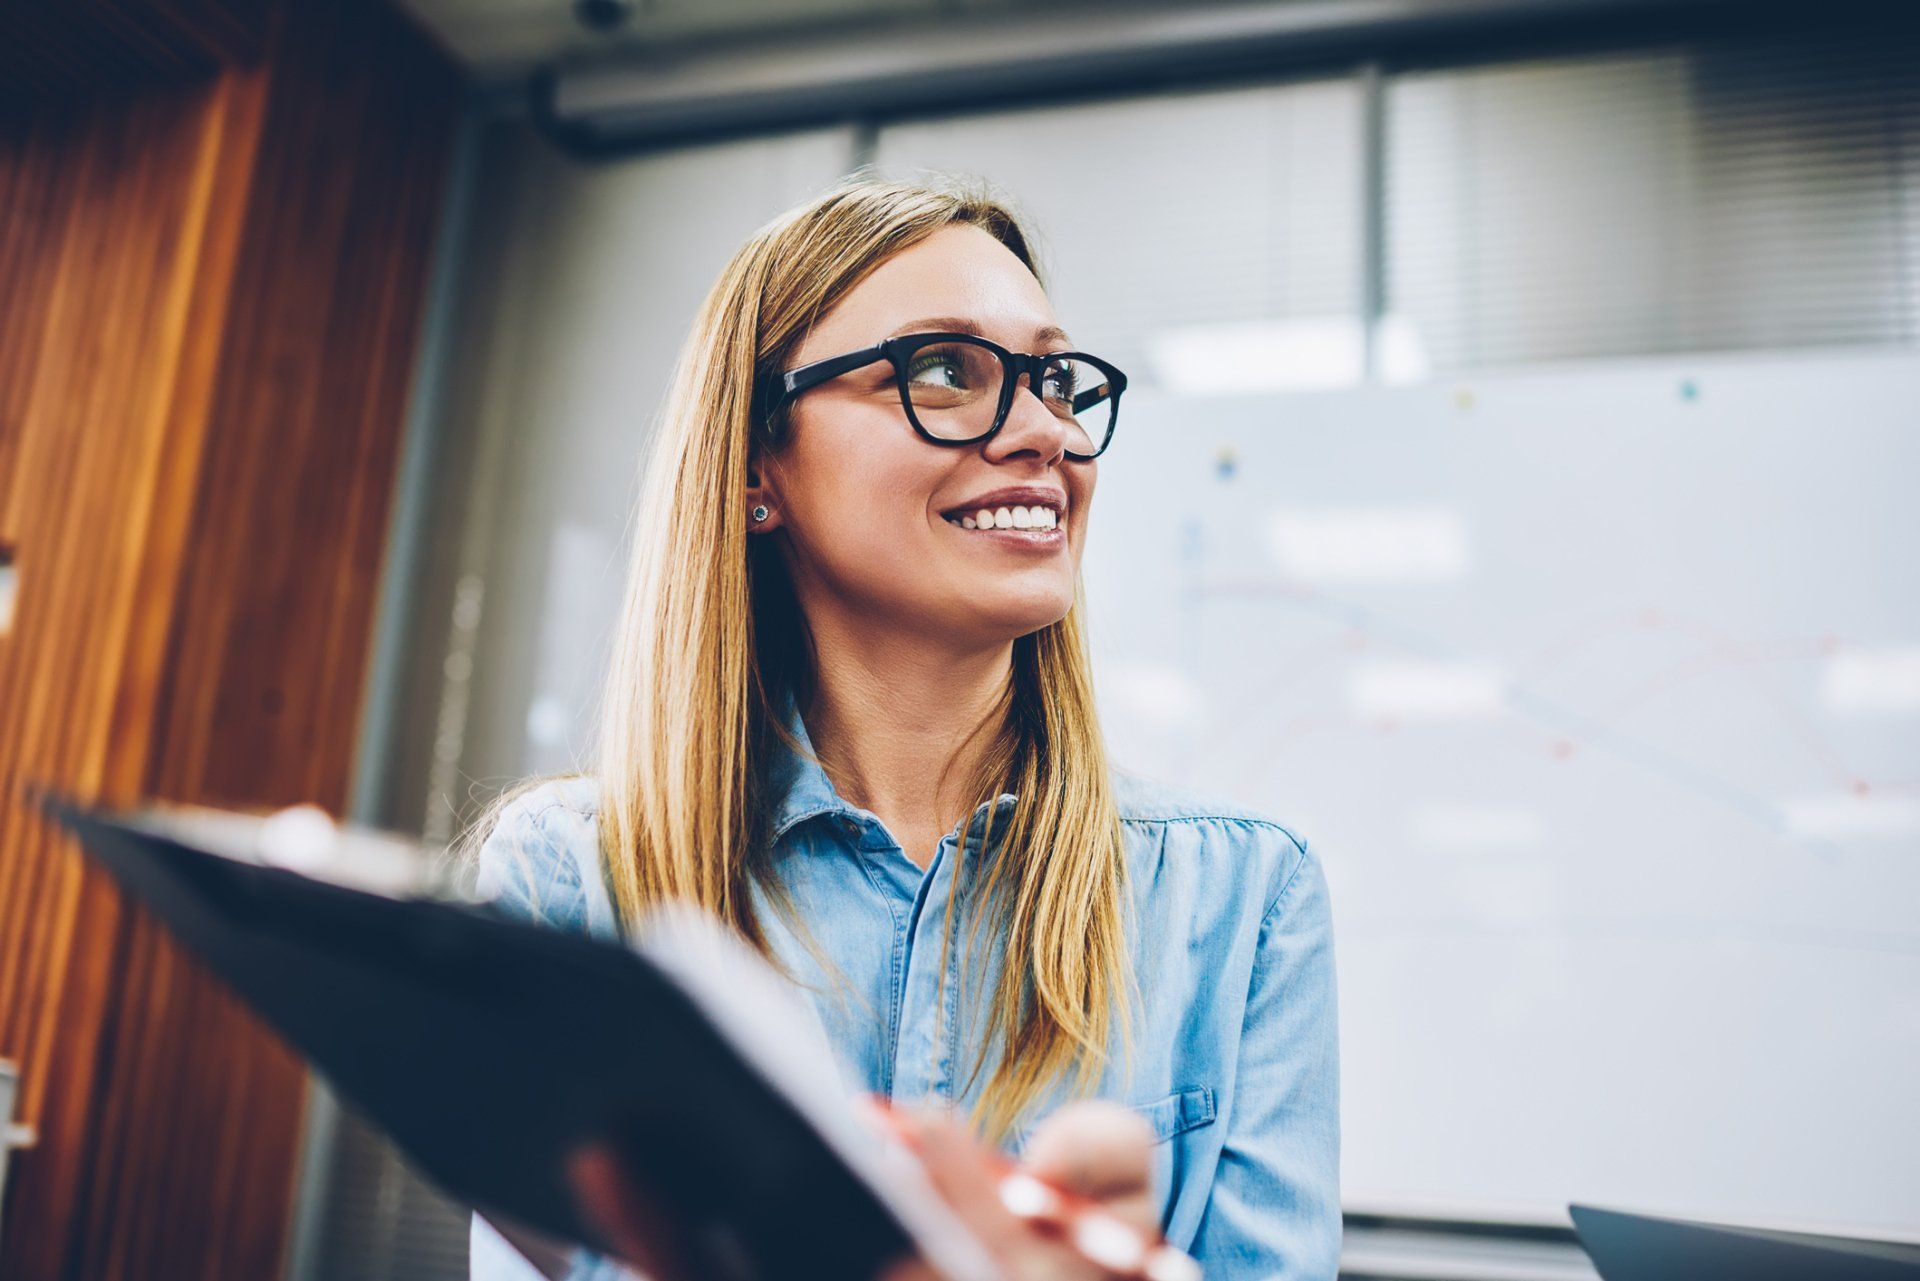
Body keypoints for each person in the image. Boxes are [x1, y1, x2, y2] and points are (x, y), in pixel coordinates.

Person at [465, 172, 1340, 1281]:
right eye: (943, 371)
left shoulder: (1245, 894)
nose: (1044, 435)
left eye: (1055, 381)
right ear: (753, 465)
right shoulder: (569, 883)